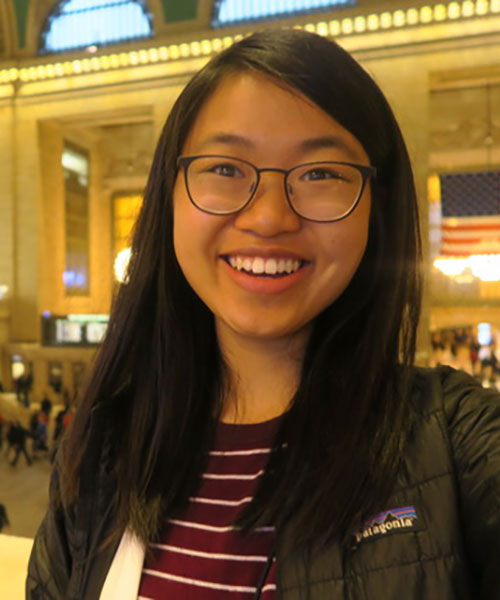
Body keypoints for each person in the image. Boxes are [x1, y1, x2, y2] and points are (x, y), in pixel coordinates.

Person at [26, 30, 500, 599]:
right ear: (169, 196)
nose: (269, 217)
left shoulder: (458, 443)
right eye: (225, 169)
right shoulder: (105, 451)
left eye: (321, 173)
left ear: (378, 206)